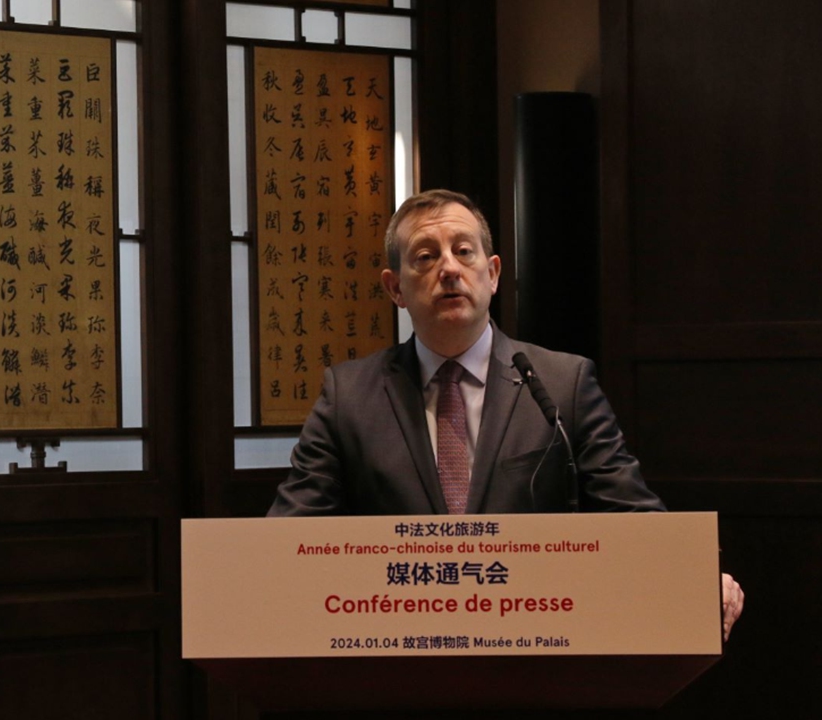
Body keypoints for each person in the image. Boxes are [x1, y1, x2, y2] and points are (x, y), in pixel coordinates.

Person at [268, 189, 744, 640]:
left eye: (464, 251)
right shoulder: (350, 394)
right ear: (395, 288)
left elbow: (629, 510)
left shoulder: (561, 383)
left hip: (536, 649)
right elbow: (290, 535)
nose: (449, 269)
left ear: (493, 273)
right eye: (426, 257)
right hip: (395, 651)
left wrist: (692, 575)